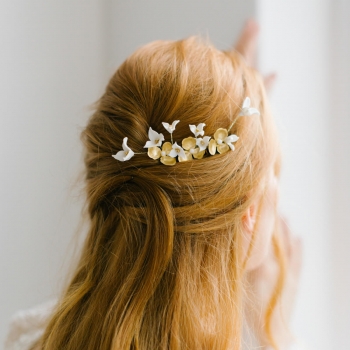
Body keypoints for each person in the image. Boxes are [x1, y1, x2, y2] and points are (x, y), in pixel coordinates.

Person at [4, 20, 302, 350]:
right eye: (274, 174)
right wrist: (272, 331)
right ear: (250, 213)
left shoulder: (30, 338)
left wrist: (224, 119)